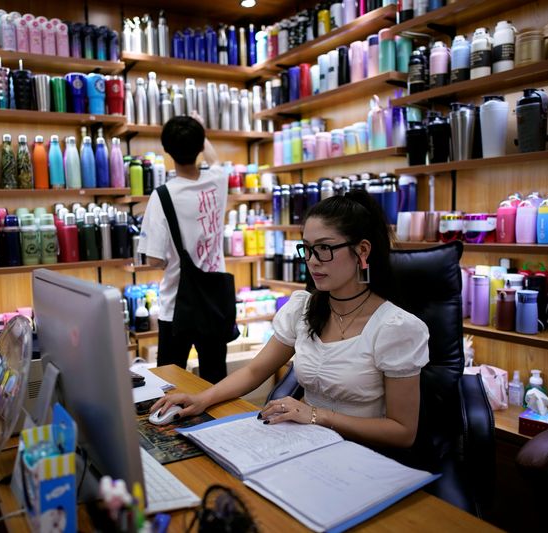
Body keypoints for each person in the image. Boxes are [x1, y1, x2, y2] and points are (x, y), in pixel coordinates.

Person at [151, 190, 430, 448]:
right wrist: (201, 399)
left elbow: (403, 431)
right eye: (307, 248)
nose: (312, 261)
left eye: (324, 248)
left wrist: (315, 415)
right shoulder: (304, 309)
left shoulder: (396, 328)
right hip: (303, 444)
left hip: (361, 457)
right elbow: (254, 371)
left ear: (362, 251)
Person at [138, 114, 229, 384]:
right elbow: (215, 161)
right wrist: (201, 128)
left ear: (167, 151)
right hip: (215, 302)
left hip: (178, 306)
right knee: (216, 380)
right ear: (201, 146)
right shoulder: (218, 181)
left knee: (169, 381)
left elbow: (154, 259)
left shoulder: (162, 196)